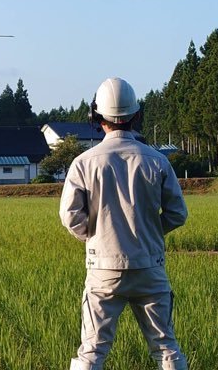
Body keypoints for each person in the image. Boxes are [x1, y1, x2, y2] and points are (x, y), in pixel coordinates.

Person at [59, 77, 188, 370]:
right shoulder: (157, 161)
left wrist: (97, 236)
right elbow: (177, 213)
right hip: (149, 267)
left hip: (103, 270)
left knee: (91, 352)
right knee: (166, 348)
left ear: (96, 117)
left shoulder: (84, 162)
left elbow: (70, 216)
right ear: (136, 115)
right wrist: (150, 231)